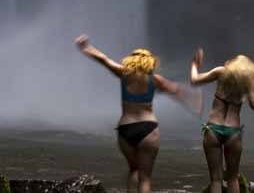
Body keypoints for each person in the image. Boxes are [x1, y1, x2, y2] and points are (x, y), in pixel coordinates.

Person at [75, 34, 182, 193]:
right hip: (148, 128)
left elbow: (103, 59)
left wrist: (86, 48)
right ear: (149, 62)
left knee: (134, 170)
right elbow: (176, 90)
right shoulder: (155, 79)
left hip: (126, 128)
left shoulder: (124, 73)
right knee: (145, 177)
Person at [190, 48, 254, 193]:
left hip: (213, 129)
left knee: (216, 179)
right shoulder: (247, 81)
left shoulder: (221, 72)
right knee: (233, 178)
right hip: (233, 132)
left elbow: (195, 80)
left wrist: (195, 65)